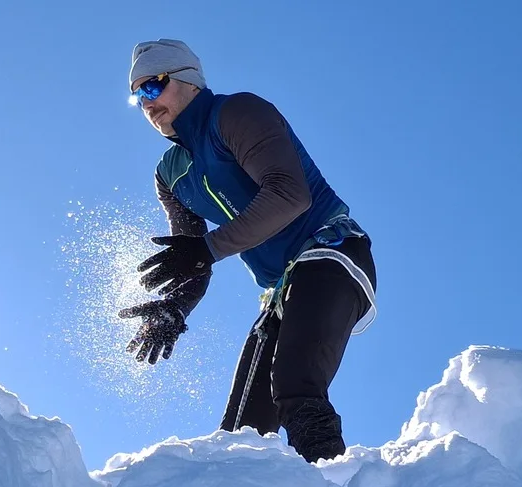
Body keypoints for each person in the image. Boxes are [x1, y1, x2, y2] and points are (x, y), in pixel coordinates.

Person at [119, 39, 378, 463]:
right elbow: (191, 258)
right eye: (137, 95)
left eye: (153, 86)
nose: (146, 102)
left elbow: (290, 195)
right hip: (283, 290)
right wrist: (175, 307)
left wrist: (206, 249)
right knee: (241, 433)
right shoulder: (170, 175)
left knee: (295, 384)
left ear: (188, 80)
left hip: (333, 253)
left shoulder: (236, 112)